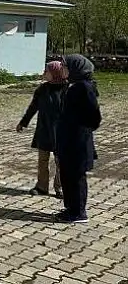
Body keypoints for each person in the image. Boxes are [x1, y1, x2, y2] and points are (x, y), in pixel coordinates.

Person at [56, 54, 101, 223]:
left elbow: (94, 116)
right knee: (66, 174)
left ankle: (79, 212)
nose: (62, 69)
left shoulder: (84, 87)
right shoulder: (72, 85)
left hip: (78, 142)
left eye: (64, 66)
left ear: (76, 68)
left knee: (76, 177)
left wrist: (81, 130)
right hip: (67, 141)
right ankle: (70, 208)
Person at [17, 61, 67, 198]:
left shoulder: (67, 89)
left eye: (47, 71)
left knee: (61, 162)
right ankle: (42, 187)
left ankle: (61, 187)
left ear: (56, 73)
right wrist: (23, 122)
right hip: (44, 129)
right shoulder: (42, 89)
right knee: (43, 160)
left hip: (61, 132)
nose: (44, 73)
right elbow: (33, 107)